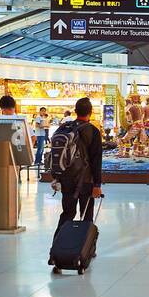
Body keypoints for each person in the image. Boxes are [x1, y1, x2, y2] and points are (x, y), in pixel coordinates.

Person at [54, 97, 103, 235]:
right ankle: (84, 249)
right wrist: (97, 184)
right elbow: (96, 159)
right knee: (86, 216)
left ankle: (58, 247)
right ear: (91, 112)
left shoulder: (65, 128)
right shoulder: (92, 131)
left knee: (67, 214)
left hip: (66, 179)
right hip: (85, 181)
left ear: (75, 111)